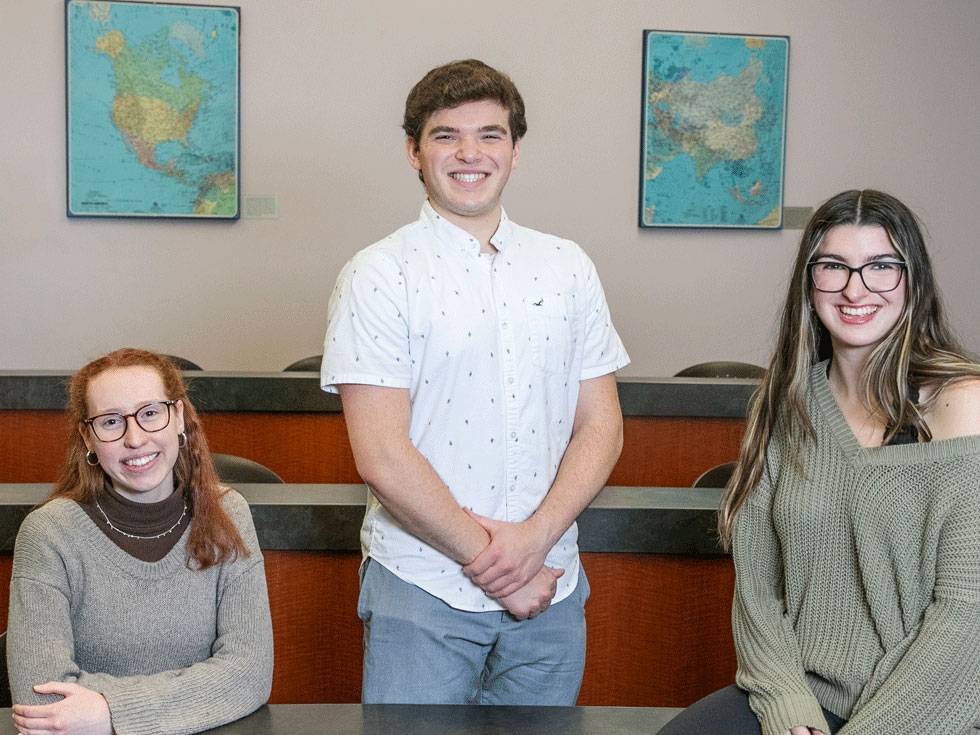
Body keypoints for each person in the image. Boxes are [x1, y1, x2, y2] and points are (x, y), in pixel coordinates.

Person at [320, 58, 629, 705]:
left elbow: (601, 425)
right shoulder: (378, 273)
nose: (470, 153)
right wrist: (499, 566)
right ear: (413, 150)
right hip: (423, 590)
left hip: (552, 586)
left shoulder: (567, 266)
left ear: (515, 150)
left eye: (490, 134)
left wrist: (534, 542)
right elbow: (381, 454)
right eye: (445, 134)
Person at [660, 190, 980, 735]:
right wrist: (787, 702)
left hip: (933, 703)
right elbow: (758, 586)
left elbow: (966, 614)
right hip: (809, 692)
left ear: (913, 281)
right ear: (809, 287)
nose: (856, 289)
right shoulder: (785, 403)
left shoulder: (962, 403)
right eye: (834, 266)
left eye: (881, 267)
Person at [7, 348, 273, 735]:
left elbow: (249, 675)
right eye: (111, 421)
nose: (135, 438)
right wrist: (202, 692)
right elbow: (42, 704)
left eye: (150, 413)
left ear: (178, 416)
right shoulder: (48, 533)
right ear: (88, 436)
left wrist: (109, 712)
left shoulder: (228, 514)